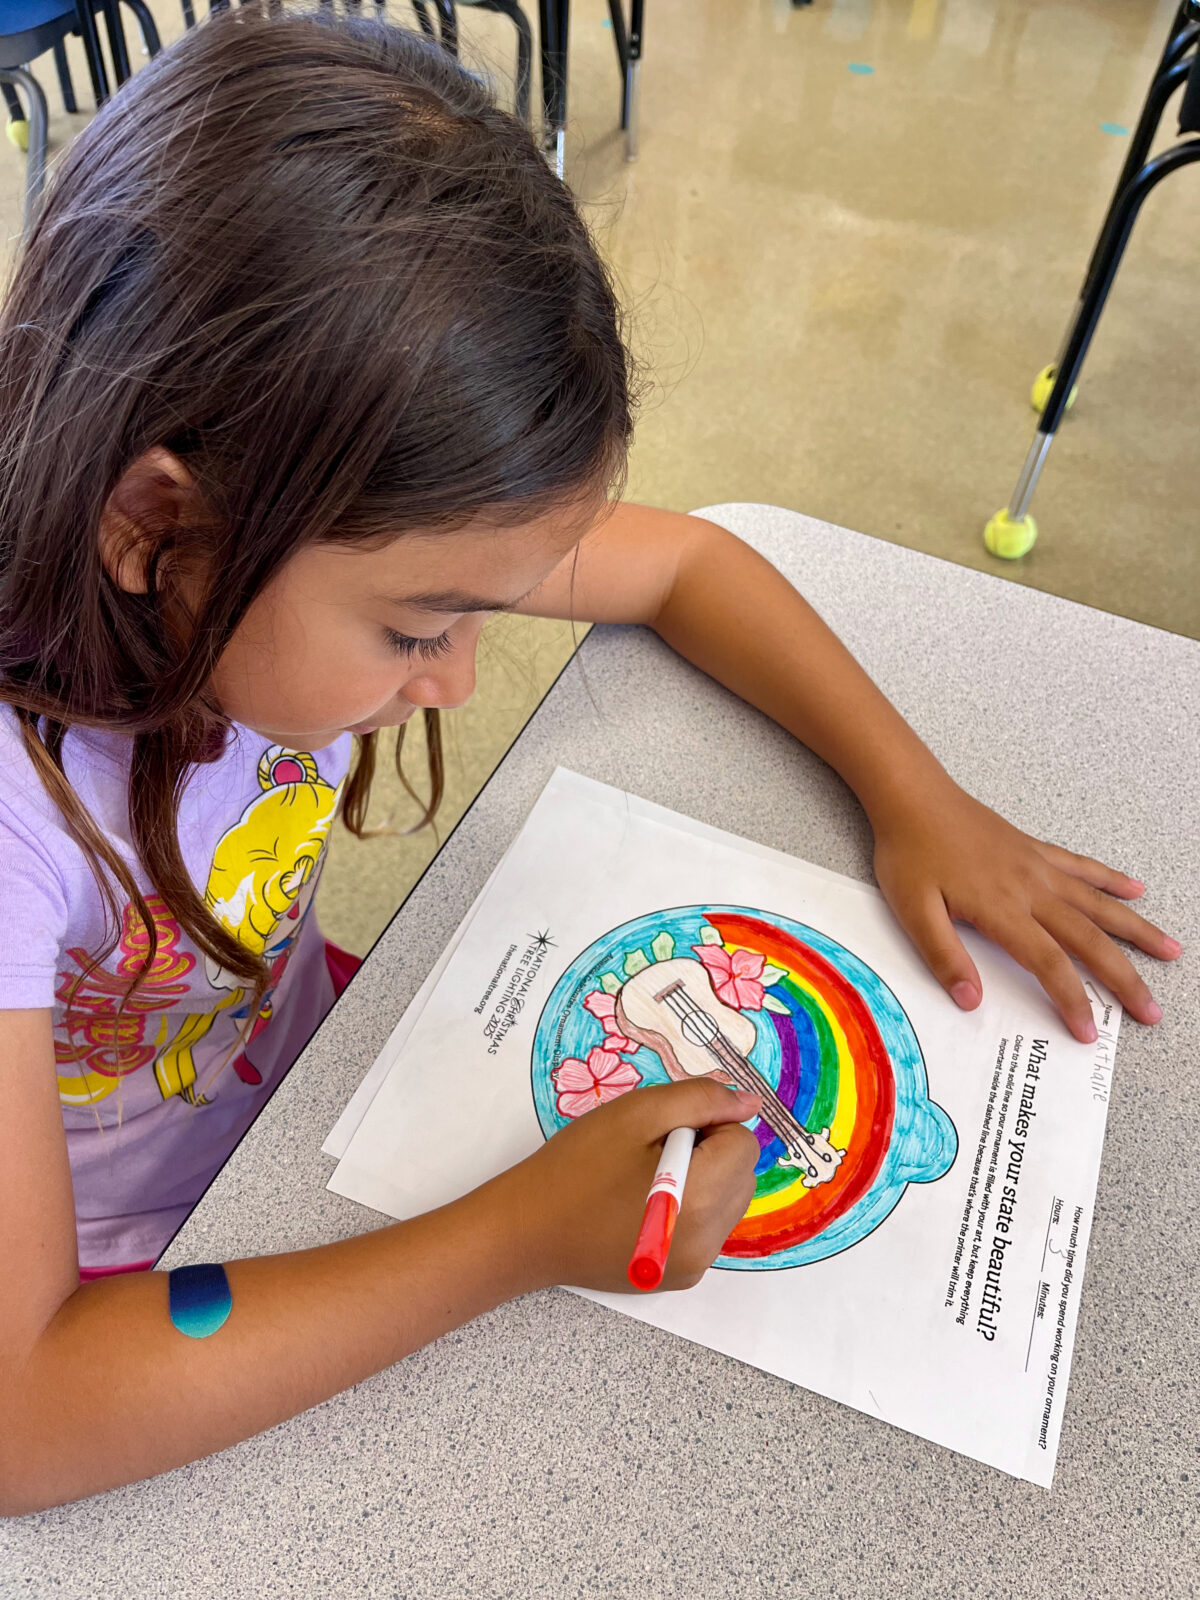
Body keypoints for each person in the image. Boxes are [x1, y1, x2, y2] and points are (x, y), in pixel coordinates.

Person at [0, 10, 1177, 1514]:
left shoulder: (277, 513)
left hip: (302, 1073)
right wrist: (517, 1239)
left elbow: (691, 563)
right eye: (422, 626)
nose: (463, 679)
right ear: (159, 530)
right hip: (118, 1267)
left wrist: (917, 799)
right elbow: (26, 1414)